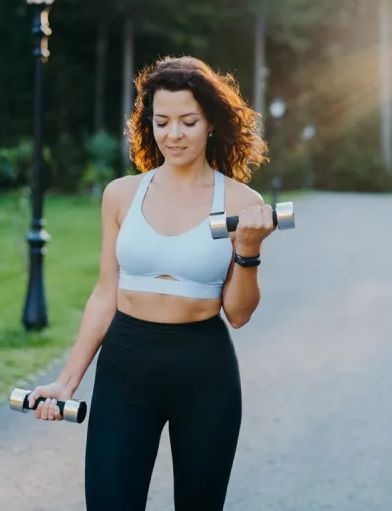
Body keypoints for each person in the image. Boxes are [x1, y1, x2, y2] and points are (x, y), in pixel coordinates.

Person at [26, 55, 274, 510]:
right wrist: (66, 382)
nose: (173, 135)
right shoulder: (121, 194)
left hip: (204, 372)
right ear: (148, 124)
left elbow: (238, 314)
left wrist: (249, 250)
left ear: (212, 123)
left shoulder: (241, 201)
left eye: (188, 121)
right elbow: (105, 294)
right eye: (162, 122)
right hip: (126, 367)